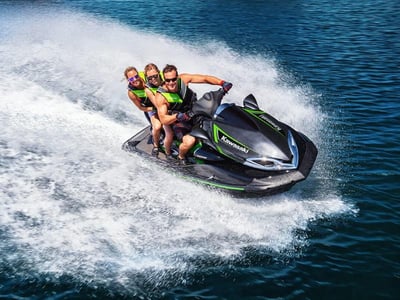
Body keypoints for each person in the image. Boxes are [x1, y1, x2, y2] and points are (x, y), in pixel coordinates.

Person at [154, 64, 232, 164]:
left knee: (219, 125)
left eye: (173, 79)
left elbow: (205, 79)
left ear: (177, 77)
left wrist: (222, 83)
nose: (171, 83)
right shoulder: (161, 96)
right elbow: (163, 119)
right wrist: (178, 116)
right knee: (189, 142)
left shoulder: (184, 79)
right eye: (168, 80)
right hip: (180, 121)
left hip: (196, 112)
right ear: (164, 80)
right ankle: (181, 157)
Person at [124, 66, 168, 157]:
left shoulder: (147, 77)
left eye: (136, 76)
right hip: (150, 108)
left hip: (163, 102)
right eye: (131, 79)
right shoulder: (131, 93)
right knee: (157, 126)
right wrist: (154, 109)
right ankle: (156, 145)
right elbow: (140, 108)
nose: (135, 80)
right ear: (128, 80)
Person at [143, 63, 173, 158]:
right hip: (155, 109)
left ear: (159, 73)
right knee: (157, 127)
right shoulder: (148, 89)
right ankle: (156, 145)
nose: (153, 79)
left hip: (170, 106)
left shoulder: (167, 80)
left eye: (155, 76)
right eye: (150, 78)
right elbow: (157, 104)